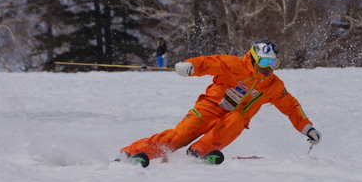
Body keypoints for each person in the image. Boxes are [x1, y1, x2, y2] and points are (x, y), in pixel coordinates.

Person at [120, 38, 321, 167]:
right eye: (264, 62)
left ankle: (198, 153)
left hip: (230, 121)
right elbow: (210, 62)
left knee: (236, 119)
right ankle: (131, 154)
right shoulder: (235, 65)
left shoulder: (273, 85)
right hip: (208, 109)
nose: (268, 68)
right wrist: (191, 65)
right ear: (252, 58)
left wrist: (307, 128)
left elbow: (291, 106)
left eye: (273, 64)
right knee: (177, 137)